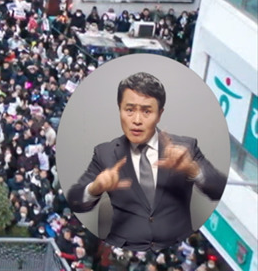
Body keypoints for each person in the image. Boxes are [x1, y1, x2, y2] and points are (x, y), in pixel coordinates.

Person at [65, 72, 226, 250]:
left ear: (159, 114)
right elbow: (75, 200)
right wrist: (94, 188)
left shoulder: (185, 147)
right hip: (123, 247)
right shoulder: (105, 153)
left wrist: (194, 170)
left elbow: (219, 189)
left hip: (174, 247)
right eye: (129, 110)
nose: (137, 120)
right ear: (119, 109)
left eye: (147, 111)